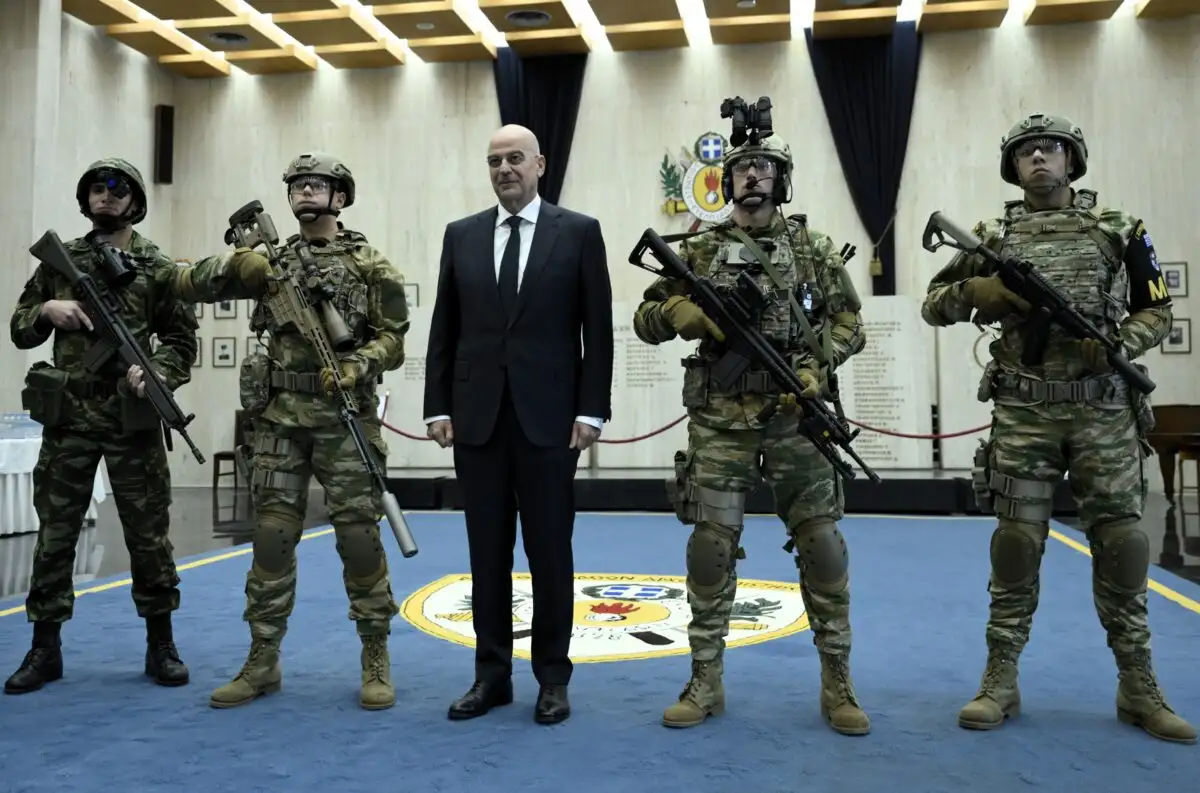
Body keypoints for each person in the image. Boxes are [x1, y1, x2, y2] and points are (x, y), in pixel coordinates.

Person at [921, 113, 1195, 745]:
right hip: (1024, 413)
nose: (1039, 158)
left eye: (1051, 148)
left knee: (1123, 544)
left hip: (1104, 411)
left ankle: (1138, 685)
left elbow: (1157, 307)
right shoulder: (991, 236)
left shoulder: (1119, 229)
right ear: (1013, 168)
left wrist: (1122, 343)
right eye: (1026, 152)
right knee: (1016, 544)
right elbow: (935, 304)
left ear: (1073, 160)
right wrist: (980, 292)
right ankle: (1000, 679)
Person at [631, 127, 871, 735]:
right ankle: (704, 679)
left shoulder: (813, 249)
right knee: (711, 547)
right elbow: (644, 319)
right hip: (720, 420)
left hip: (796, 418)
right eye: (743, 168)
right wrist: (676, 311)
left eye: (765, 167)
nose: (754, 175)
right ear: (727, 181)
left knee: (821, 543)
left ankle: (838, 681)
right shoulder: (701, 251)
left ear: (781, 179)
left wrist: (818, 367)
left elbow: (851, 324)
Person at [171, 152, 410, 711]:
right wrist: (239, 265)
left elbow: (394, 339)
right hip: (279, 419)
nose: (304, 191)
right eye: (297, 185)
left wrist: (358, 364)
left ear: (340, 198)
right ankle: (263, 658)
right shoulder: (268, 261)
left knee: (359, 537)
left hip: (344, 417)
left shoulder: (371, 264)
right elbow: (189, 283)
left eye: (316, 184)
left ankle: (375, 653)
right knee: (273, 537)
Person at [423, 124, 614, 725]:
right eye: (494, 161)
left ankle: (552, 678)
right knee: (487, 555)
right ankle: (492, 676)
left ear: (540, 164)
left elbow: (597, 329)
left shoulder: (578, 232)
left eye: (514, 158)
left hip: (551, 422)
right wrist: (437, 405)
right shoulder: (461, 235)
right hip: (476, 421)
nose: (504, 169)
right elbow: (445, 326)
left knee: (550, 553)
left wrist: (591, 409)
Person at [6, 158, 197, 694]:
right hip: (69, 420)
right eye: (95, 187)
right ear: (84, 199)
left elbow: (182, 341)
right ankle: (44, 648)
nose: (105, 195)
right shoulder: (62, 262)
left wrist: (156, 374)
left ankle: (161, 644)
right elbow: (20, 329)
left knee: (148, 535)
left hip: (131, 419)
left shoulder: (157, 267)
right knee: (55, 535)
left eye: (117, 188)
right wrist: (48, 310)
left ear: (135, 201)